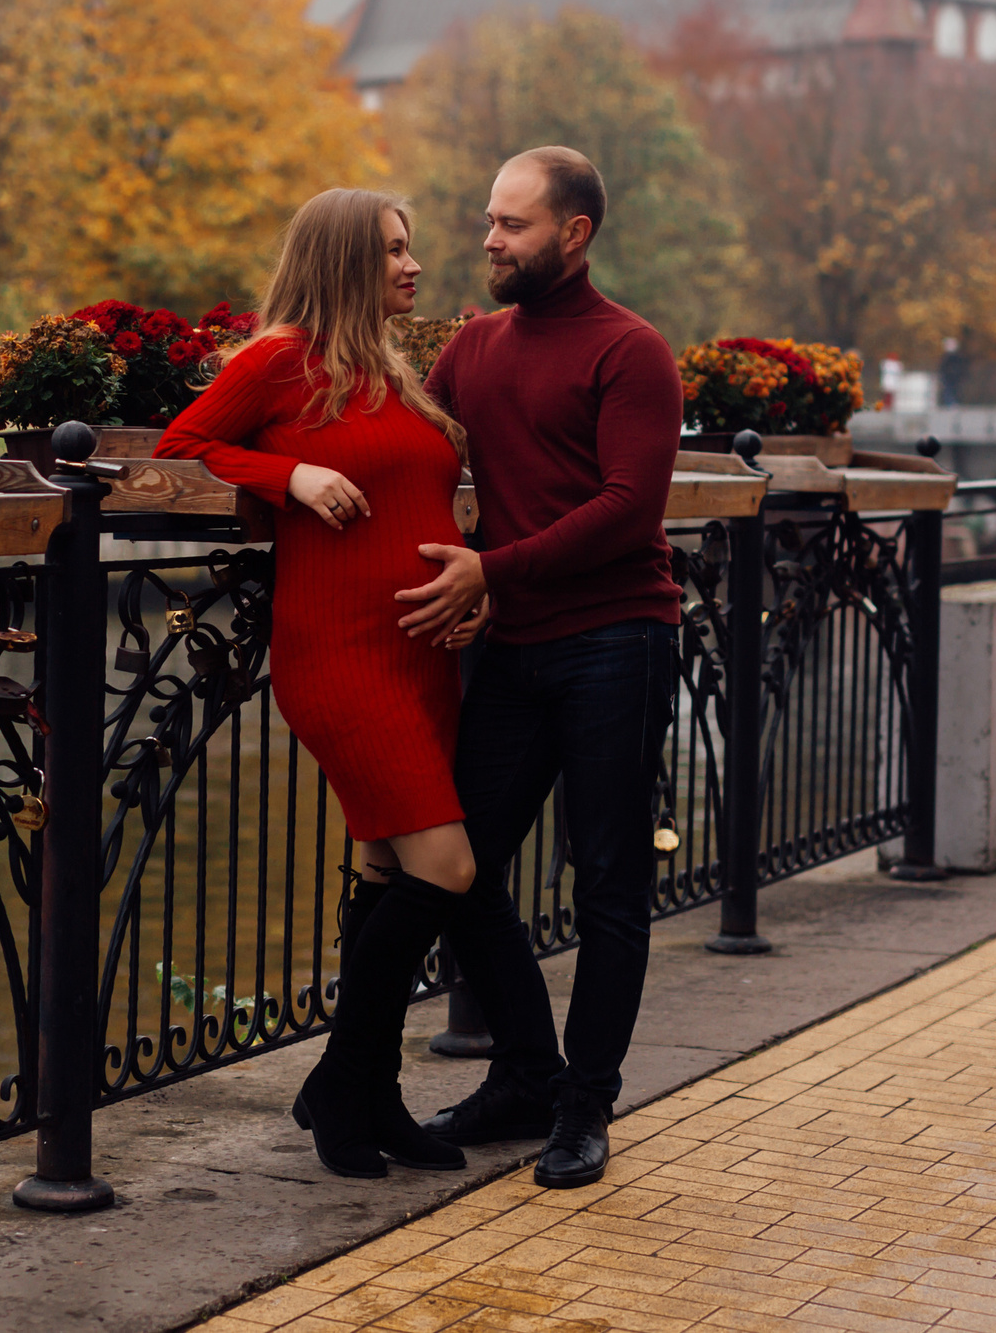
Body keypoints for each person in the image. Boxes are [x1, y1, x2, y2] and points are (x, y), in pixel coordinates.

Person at [155, 187, 490, 1180]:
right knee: (448, 867)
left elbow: (425, 497)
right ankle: (343, 1084)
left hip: (422, 652)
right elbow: (178, 448)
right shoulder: (278, 361)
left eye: (410, 247)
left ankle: (369, 1095)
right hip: (341, 653)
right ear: (343, 260)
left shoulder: (389, 370)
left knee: (387, 869)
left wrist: (477, 587)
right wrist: (288, 477)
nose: (413, 265)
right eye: (392, 249)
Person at [394, 145, 684, 1190]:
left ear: (574, 232)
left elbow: (627, 510)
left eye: (511, 225)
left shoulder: (631, 351)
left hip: (618, 638)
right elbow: (411, 449)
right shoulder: (473, 347)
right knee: (458, 865)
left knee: (606, 882)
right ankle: (525, 1071)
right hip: (514, 643)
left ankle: (585, 1104)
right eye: (488, 220)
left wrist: (491, 570)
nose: (490, 240)